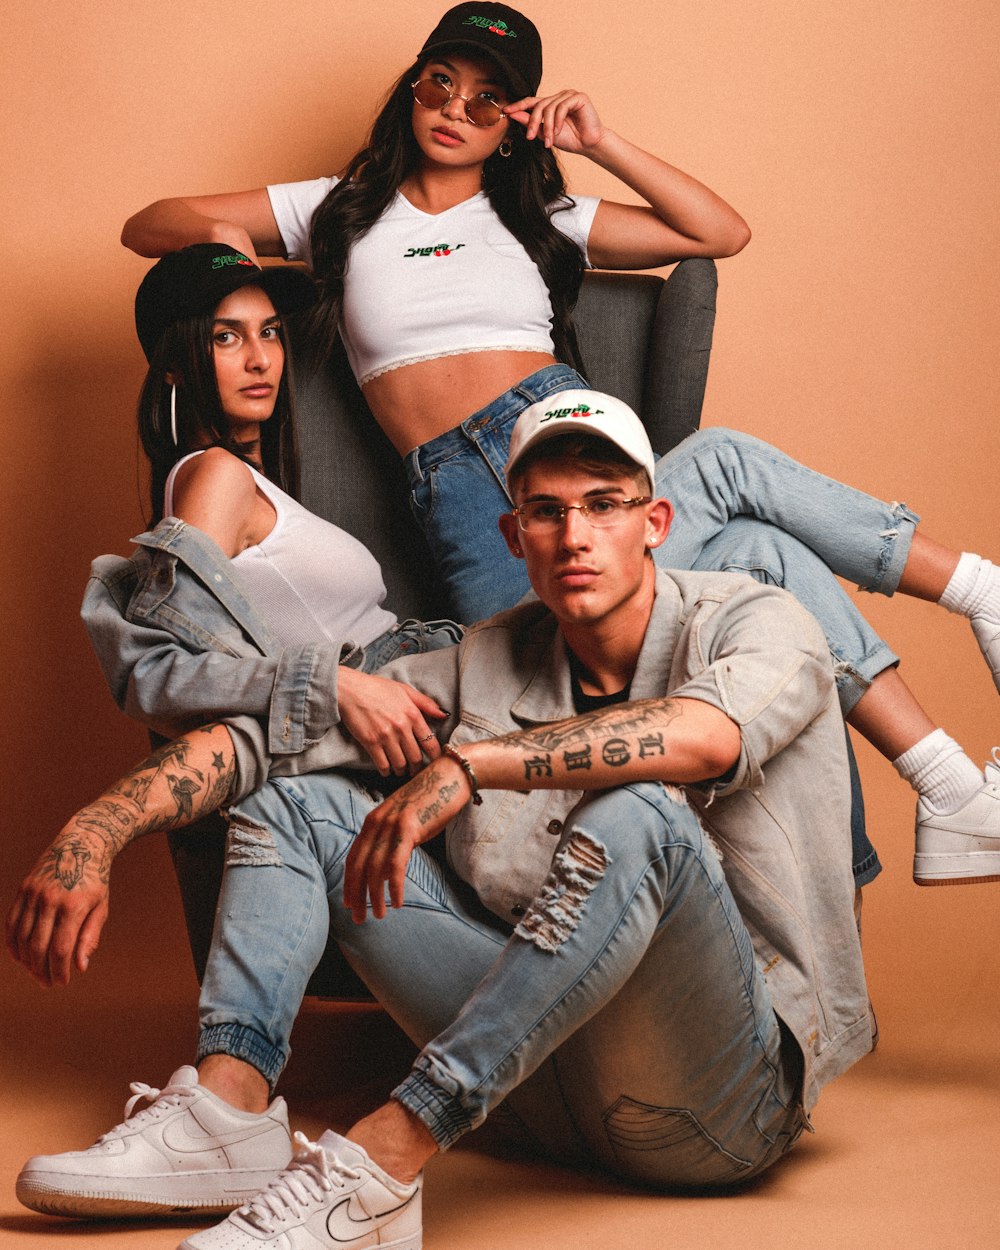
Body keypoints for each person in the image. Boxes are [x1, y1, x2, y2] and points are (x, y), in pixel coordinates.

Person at [120, 3, 1000, 867]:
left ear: (515, 122)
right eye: (442, 83)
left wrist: (597, 142)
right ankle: (952, 777)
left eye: (488, 99)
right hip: (462, 497)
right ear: (412, 90)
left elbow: (717, 233)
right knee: (749, 558)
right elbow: (146, 224)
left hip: (564, 433)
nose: (458, 109)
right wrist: (232, 248)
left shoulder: (540, 214)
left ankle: (975, 626)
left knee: (731, 473)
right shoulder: (341, 210)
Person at [17, 397, 875, 1246]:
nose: (574, 536)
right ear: (514, 538)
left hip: (709, 1106)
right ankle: (227, 1114)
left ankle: (382, 1166)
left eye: (603, 505)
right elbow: (264, 742)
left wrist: (471, 763)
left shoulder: (754, 619)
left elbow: (701, 735)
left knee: (640, 809)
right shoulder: (484, 661)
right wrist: (96, 830)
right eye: (545, 511)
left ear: (654, 521)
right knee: (296, 802)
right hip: (534, 1088)